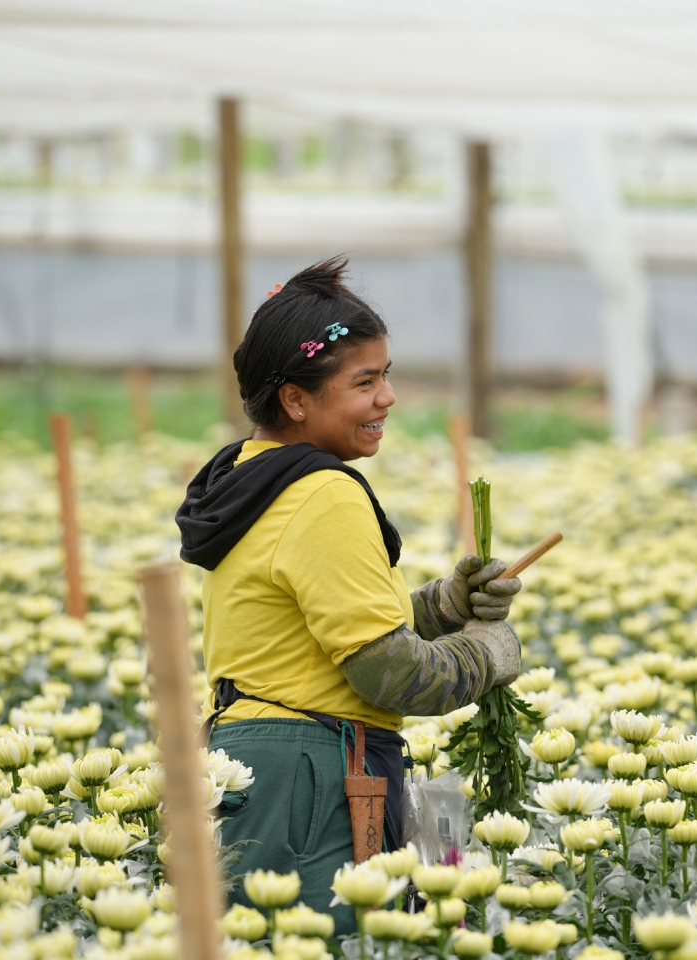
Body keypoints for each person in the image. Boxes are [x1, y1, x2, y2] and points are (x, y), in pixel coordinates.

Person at [175, 256, 522, 932]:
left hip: (253, 767)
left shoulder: (250, 479)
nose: (387, 397)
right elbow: (388, 672)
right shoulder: (323, 493)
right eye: (364, 381)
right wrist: (487, 654)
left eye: (386, 375)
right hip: (314, 779)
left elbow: (315, 629)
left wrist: (446, 606)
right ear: (295, 400)